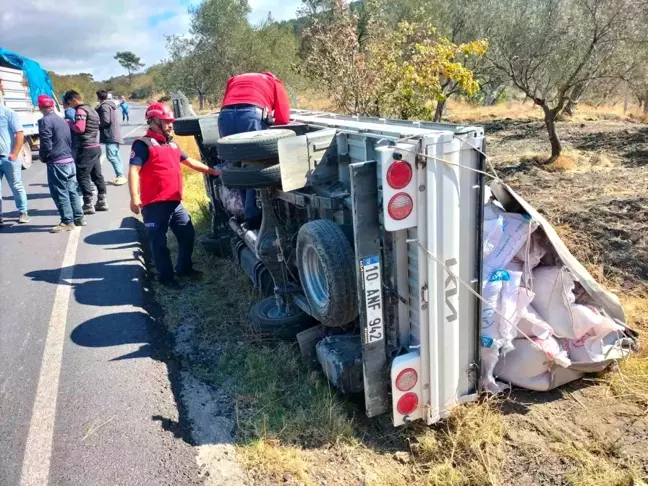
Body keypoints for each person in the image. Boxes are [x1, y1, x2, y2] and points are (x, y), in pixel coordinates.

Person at [128, 102, 221, 288]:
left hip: (175, 202)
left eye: (171, 121)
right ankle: (166, 278)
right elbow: (133, 171)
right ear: (153, 121)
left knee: (187, 234)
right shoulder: (142, 145)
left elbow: (192, 163)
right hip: (154, 204)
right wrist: (134, 197)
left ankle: (184, 269)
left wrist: (215, 172)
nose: (170, 125)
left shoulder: (171, 144)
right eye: (166, 121)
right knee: (159, 243)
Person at [217, 72, 290, 229]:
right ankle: (254, 215)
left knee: (235, 163)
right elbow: (284, 117)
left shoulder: (234, 79)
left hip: (225, 117)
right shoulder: (273, 80)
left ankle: (242, 210)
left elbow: (227, 103)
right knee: (254, 163)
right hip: (250, 116)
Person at [37, 95, 85, 232]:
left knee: (60, 192)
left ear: (40, 107)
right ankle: (79, 217)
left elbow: (46, 143)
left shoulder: (45, 121)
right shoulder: (62, 120)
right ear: (52, 106)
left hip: (57, 162)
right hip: (69, 160)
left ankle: (67, 221)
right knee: (72, 190)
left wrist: (43, 157)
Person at [63, 90, 108, 214]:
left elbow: (80, 128)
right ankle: (102, 200)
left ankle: (88, 203)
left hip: (86, 147)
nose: (69, 105)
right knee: (96, 174)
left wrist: (69, 122)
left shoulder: (80, 111)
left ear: (73, 100)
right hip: (95, 145)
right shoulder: (92, 109)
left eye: (69, 103)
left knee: (82, 175)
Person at [0, 102, 29, 225]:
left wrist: (15, 153)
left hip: (8, 157)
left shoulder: (8, 112)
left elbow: (19, 133)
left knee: (16, 185)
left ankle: (23, 212)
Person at [96, 89, 126, 186]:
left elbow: (106, 120)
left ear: (98, 97)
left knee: (111, 156)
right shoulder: (110, 105)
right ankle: (120, 176)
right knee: (116, 155)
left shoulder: (104, 106)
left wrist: (97, 124)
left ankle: (120, 175)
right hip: (114, 134)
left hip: (110, 135)